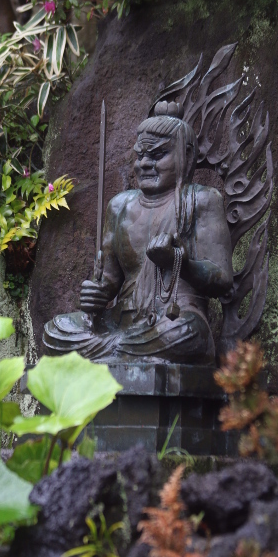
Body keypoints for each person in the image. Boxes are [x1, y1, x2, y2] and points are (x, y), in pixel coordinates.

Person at [43, 100, 233, 364]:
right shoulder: (119, 206)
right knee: (55, 330)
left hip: (174, 318)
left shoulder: (201, 200)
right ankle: (118, 350)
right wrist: (95, 293)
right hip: (122, 320)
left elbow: (222, 279)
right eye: (140, 155)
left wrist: (179, 261)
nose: (144, 163)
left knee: (186, 334)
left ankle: (109, 352)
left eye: (157, 155)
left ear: (186, 156)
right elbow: (109, 281)